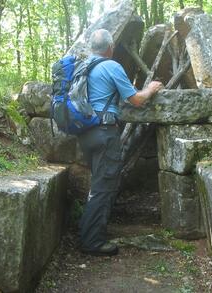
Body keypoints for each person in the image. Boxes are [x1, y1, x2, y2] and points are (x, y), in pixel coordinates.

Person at [78, 29, 163, 256]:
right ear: (110, 47)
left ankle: (90, 233)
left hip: (85, 133)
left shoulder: (83, 67)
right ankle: (92, 242)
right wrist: (151, 89)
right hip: (104, 133)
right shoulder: (111, 66)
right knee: (102, 187)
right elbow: (135, 100)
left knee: (98, 184)